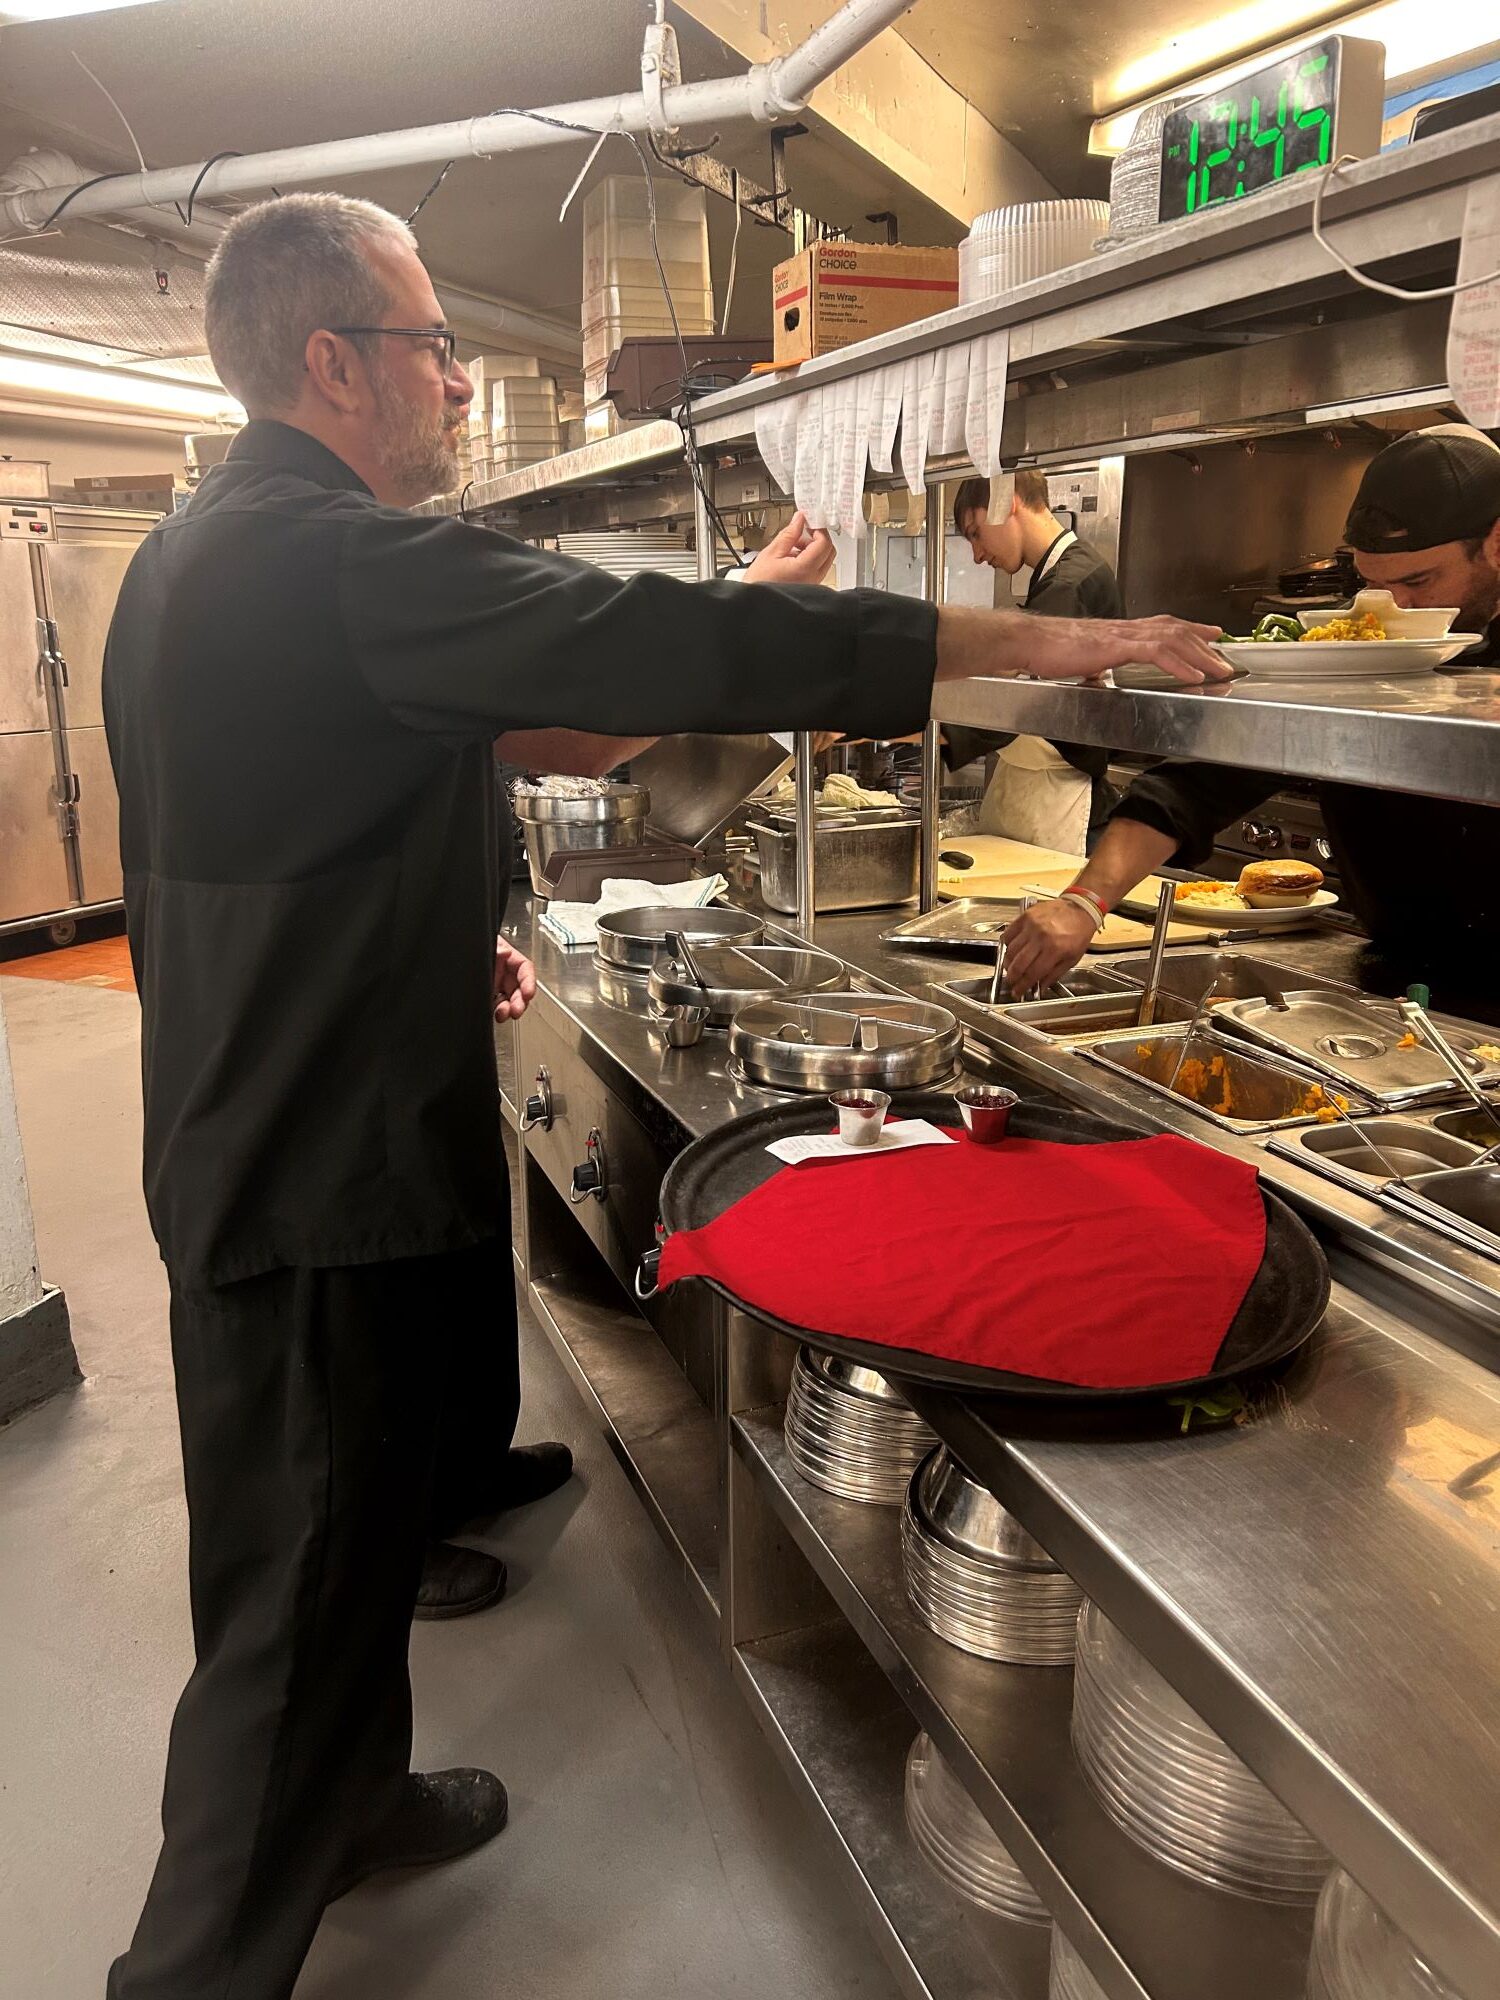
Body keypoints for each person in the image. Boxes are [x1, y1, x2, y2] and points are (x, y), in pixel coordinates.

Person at [100, 190, 1227, 2000]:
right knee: (298, 1579)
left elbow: (304, 808)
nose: (458, 382)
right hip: (306, 1153)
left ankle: (356, 1801)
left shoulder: (210, 552)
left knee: (345, 1518)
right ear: (332, 364)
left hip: (279, 1098)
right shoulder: (331, 557)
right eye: (432, 345)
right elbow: (656, 657)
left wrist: (419, 928)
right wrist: (1050, 645)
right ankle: (195, 1962)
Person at [1001, 427, 1500, 1017]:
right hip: (1398, 979)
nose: (1396, 607)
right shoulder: (1363, 649)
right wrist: (1085, 902)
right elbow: (1200, 779)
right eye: (1374, 585)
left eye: (1418, 581)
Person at [946, 472, 1126, 851]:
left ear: (1005, 501)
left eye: (975, 532)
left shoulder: (1069, 585)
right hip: (1038, 795)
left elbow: (1013, 706)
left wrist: (923, 724)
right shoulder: (1057, 577)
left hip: (1064, 806)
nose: (977, 555)